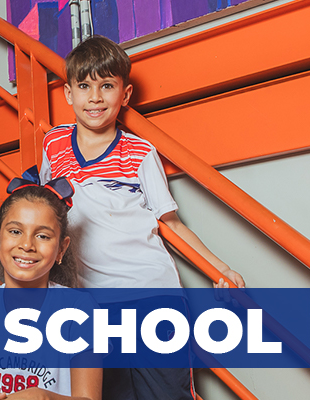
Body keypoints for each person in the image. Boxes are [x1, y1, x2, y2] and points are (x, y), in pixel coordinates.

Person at [38, 35, 245, 400]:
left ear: (126, 94)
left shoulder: (140, 151)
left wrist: (219, 268)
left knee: (167, 394)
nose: (96, 97)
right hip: (94, 306)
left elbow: (170, 224)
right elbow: (45, 214)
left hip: (153, 296)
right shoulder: (53, 145)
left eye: (107, 86)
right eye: (84, 86)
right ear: (69, 94)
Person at [0, 172, 101, 400]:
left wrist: (45, 397)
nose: (27, 244)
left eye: (42, 236)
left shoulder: (81, 309)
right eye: (15, 231)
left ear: (61, 248)